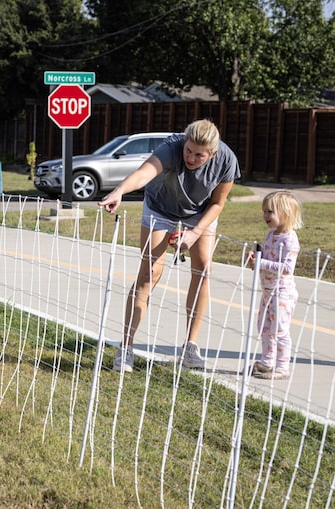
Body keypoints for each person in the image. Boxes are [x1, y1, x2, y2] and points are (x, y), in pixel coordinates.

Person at [98, 119, 241, 373]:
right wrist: (119, 191)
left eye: (199, 155)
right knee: (149, 272)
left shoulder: (227, 160)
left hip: (200, 213)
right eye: (188, 150)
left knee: (204, 269)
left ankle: (190, 347)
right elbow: (145, 173)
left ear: (213, 154)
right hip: (160, 207)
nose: (191, 157)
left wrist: (194, 234)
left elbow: (218, 203)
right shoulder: (172, 146)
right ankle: (126, 348)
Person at [247, 191, 303, 380]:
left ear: (285, 213)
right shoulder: (271, 234)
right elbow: (266, 258)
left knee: (279, 329)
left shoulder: (290, 240)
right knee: (264, 327)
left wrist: (261, 264)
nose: (265, 216)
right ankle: (267, 362)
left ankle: (282, 366)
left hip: (282, 293)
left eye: (270, 212)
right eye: (264, 211)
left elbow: (287, 268)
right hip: (268, 291)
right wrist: (256, 259)